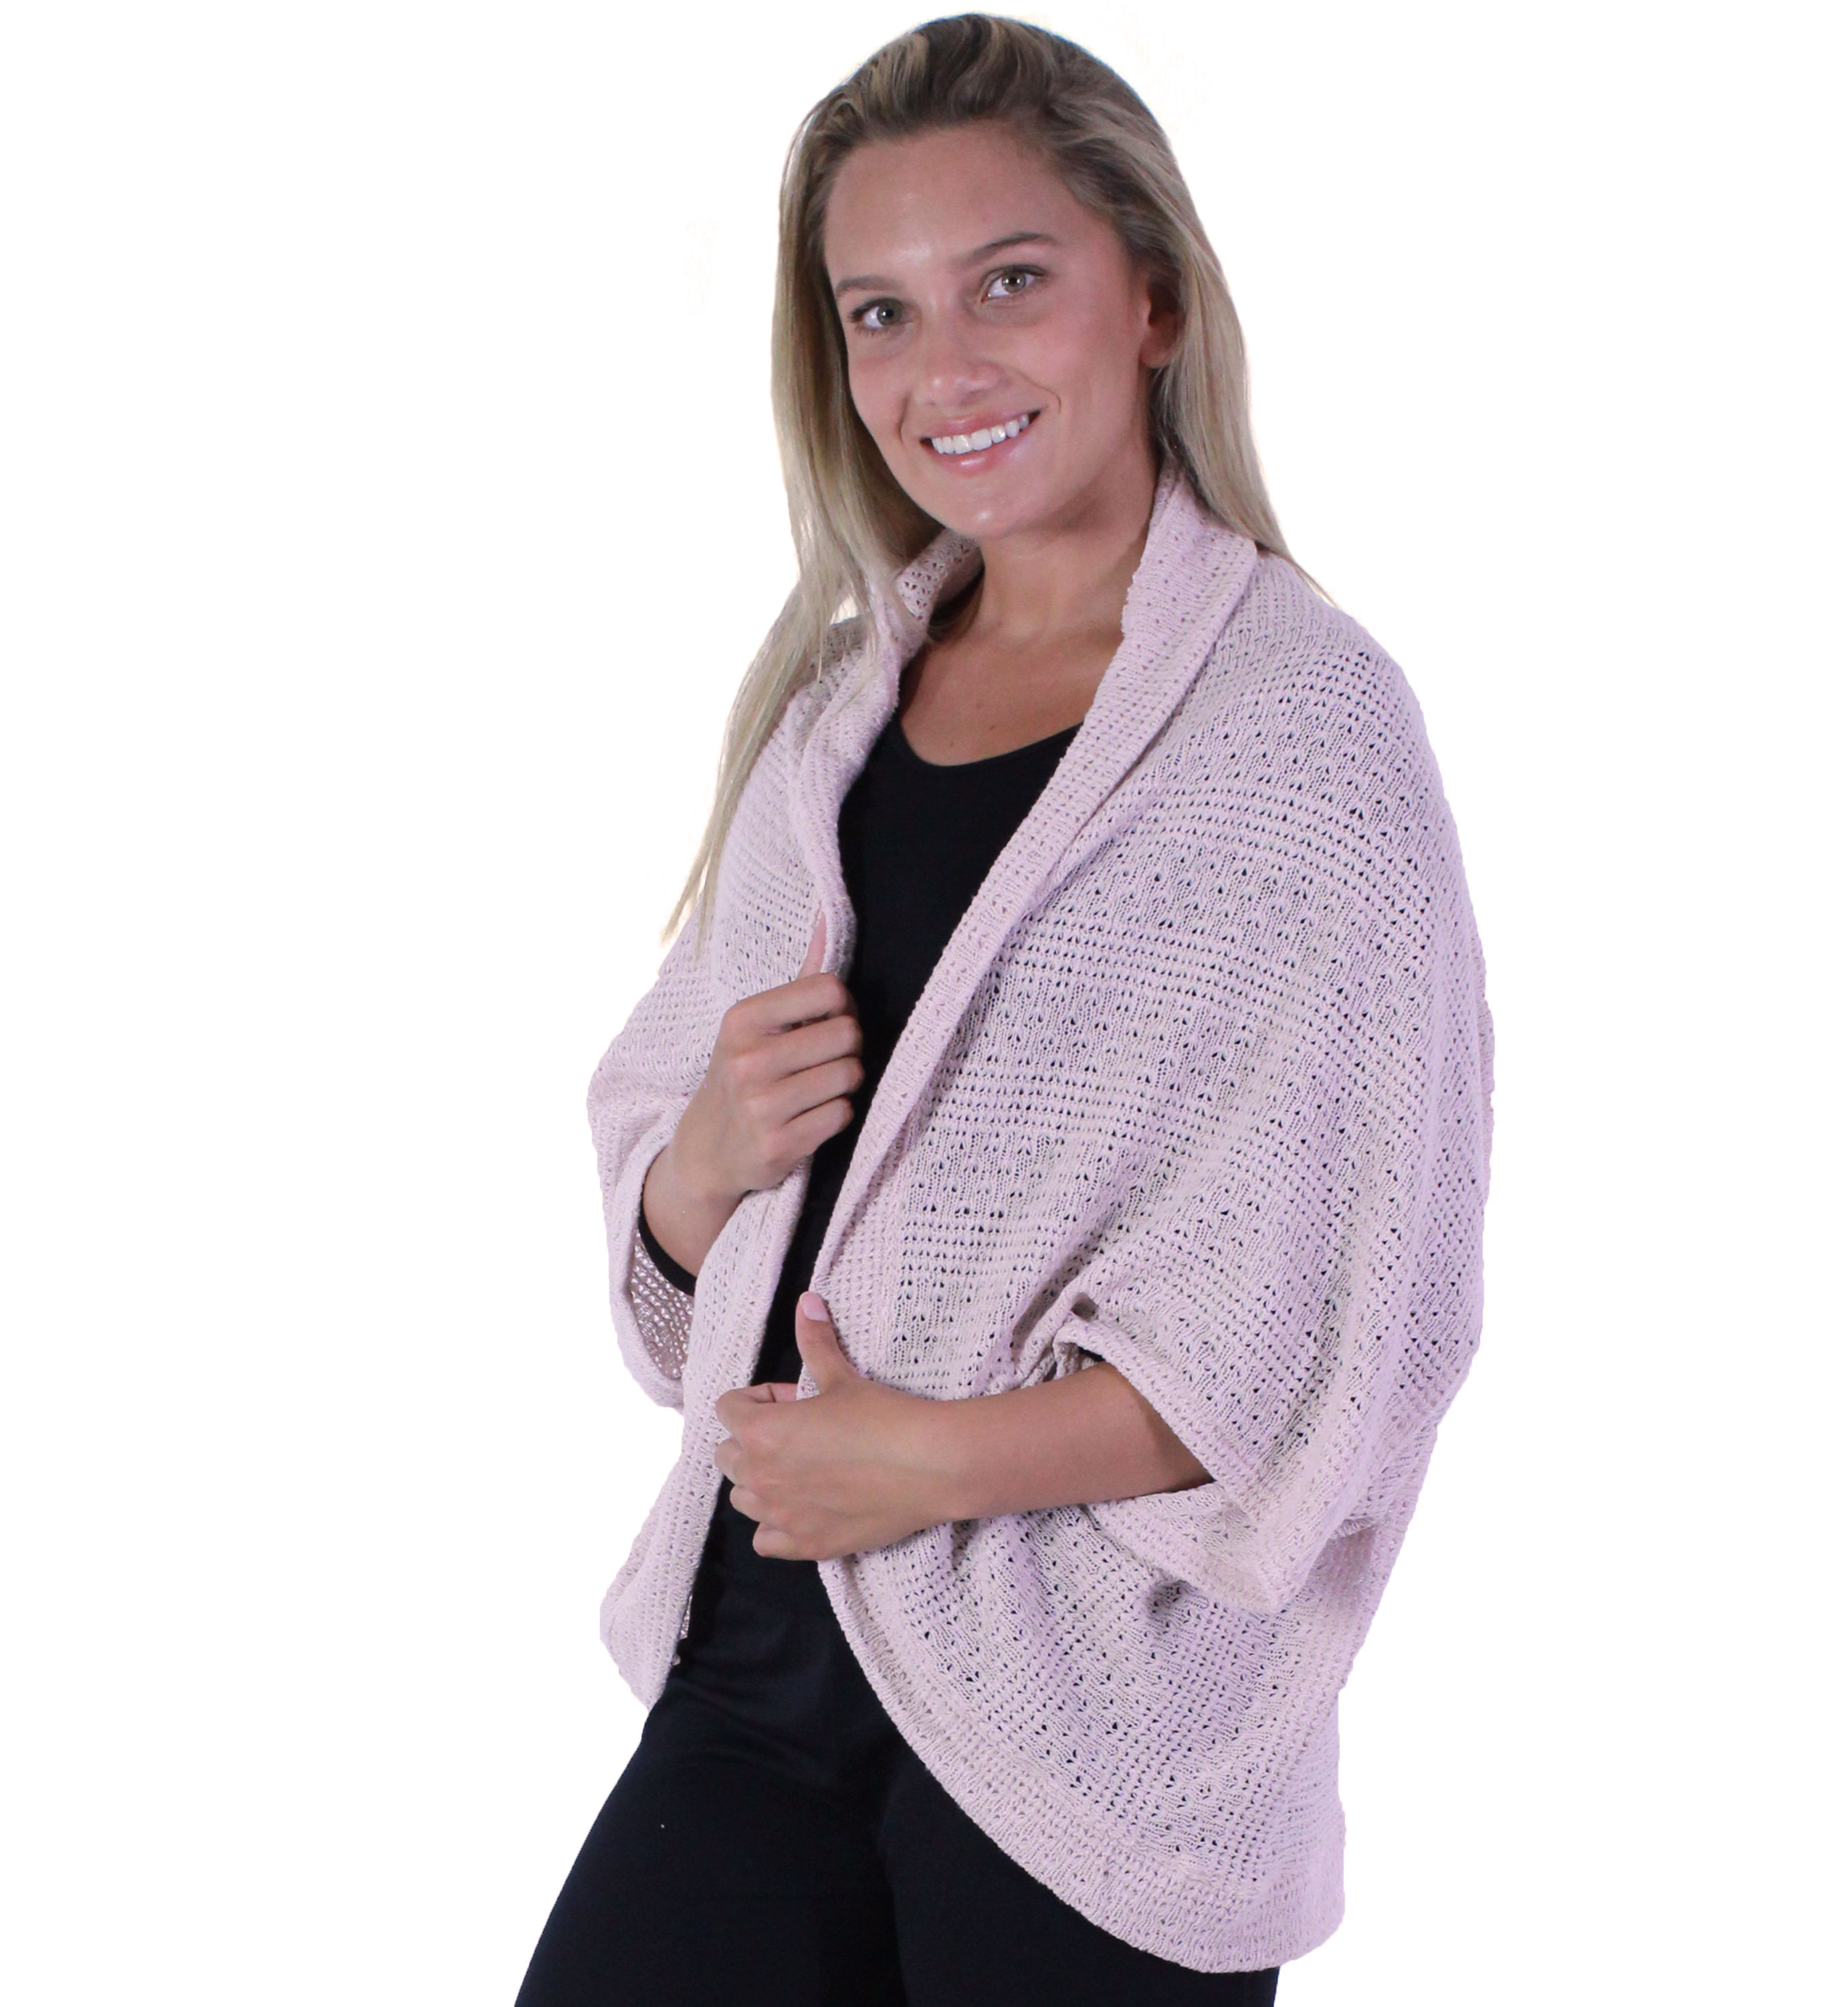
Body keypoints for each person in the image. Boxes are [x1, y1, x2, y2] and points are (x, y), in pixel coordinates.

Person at [516, 15, 1494, 2004]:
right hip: (761, 1665)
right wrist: (701, 1162)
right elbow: (673, 1238)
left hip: (1100, 1721)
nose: (941, 370)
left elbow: (1350, 1329)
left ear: (1153, 300)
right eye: (880, 312)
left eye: (1011, 282)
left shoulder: (1305, 736)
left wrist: (940, 1463)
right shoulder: (828, 714)